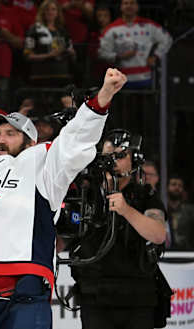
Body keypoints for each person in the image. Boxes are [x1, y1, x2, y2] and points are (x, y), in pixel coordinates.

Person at [0, 59, 127, 329]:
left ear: (31, 141)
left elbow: (74, 141)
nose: (0, 139)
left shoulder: (43, 163)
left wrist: (102, 97)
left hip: (24, 293)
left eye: (11, 133)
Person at [70, 129, 167, 329]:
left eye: (121, 155)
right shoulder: (85, 196)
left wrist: (126, 210)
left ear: (134, 160)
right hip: (95, 295)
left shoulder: (146, 196)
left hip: (138, 298)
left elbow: (158, 235)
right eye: (107, 155)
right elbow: (64, 236)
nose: (112, 160)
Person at [98, 0, 172, 88]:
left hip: (146, 79)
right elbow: (102, 53)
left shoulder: (149, 26)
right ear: (121, 7)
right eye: (126, 3)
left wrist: (155, 56)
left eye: (132, 3)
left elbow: (167, 39)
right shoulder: (111, 29)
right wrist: (119, 57)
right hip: (120, 82)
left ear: (137, 7)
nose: (129, 6)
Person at [23, 0, 76, 87]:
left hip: (62, 75)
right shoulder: (34, 30)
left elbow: (72, 53)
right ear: (42, 12)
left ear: (58, 12)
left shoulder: (63, 31)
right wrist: (49, 55)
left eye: (53, 9)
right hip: (40, 75)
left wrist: (72, 53)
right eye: (47, 9)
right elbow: (27, 55)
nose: (50, 12)